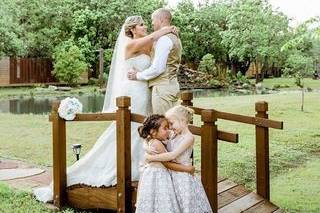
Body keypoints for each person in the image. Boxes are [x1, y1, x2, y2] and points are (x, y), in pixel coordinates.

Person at [33, 15, 176, 202]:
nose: (145, 26)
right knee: (132, 126)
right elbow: (152, 38)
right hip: (133, 91)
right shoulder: (130, 45)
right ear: (132, 29)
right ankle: (123, 166)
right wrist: (166, 29)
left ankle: (146, 164)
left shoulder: (147, 44)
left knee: (143, 126)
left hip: (144, 89)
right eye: (141, 24)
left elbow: (156, 52)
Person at [145, 105, 213, 213]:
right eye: (168, 125)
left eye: (171, 123)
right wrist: (146, 149)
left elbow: (172, 155)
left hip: (183, 177)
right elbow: (152, 137)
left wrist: (151, 158)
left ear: (183, 121)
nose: (170, 127)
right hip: (171, 175)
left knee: (186, 205)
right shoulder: (173, 134)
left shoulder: (189, 138)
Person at [128, 8, 182, 114]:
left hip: (162, 89)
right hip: (172, 86)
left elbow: (158, 68)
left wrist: (137, 75)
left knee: (162, 124)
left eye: (153, 20)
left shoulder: (164, 39)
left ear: (160, 20)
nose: (152, 23)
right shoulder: (175, 38)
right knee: (170, 123)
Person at [136, 114, 194, 213]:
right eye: (165, 128)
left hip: (151, 174)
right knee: (163, 202)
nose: (169, 130)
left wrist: (147, 154)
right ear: (153, 132)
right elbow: (167, 164)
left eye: (169, 126)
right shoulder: (157, 143)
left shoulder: (151, 140)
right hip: (159, 176)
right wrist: (188, 169)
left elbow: (145, 141)